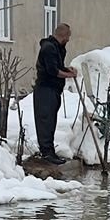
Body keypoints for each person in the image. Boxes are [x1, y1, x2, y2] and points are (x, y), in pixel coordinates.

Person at [33, 23, 78, 163]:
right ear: (63, 35)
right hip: (45, 90)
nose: (69, 40)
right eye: (68, 36)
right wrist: (68, 75)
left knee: (51, 121)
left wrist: (67, 69)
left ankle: (49, 151)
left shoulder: (58, 48)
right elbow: (53, 71)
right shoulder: (49, 48)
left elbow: (57, 66)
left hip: (53, 90)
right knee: (45, 121)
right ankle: (47, 152)